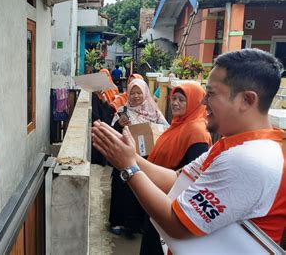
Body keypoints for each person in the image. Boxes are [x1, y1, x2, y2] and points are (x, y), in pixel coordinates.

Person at [92, 49, 286, 248]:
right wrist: (131, 155)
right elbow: (177, 180)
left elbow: (177, 224)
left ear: (247, 100)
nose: (202, 101)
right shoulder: (232, 146)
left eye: (210, 94)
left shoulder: (251, 160)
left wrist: (129, 167)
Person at [140, 82, 212, 255]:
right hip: (159, 195)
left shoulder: (197, 133)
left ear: (195, 103)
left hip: (172, 204)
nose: (175, 103)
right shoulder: (178, 125)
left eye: (182, 99)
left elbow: (193, 176)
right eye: (174, 98)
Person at [108, 78, 168, 235]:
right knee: (122, 189)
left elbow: (166, 130)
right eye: (132, 93)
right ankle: (118, 222)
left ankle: (137, 224)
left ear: (145, 93)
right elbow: (112, 133)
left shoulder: (154, 111)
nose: (135, 96)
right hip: (124, 156)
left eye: (139, 93)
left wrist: (152, 130)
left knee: (141, 191)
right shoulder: (123, 111)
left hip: (147, 158)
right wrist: (119, 125)